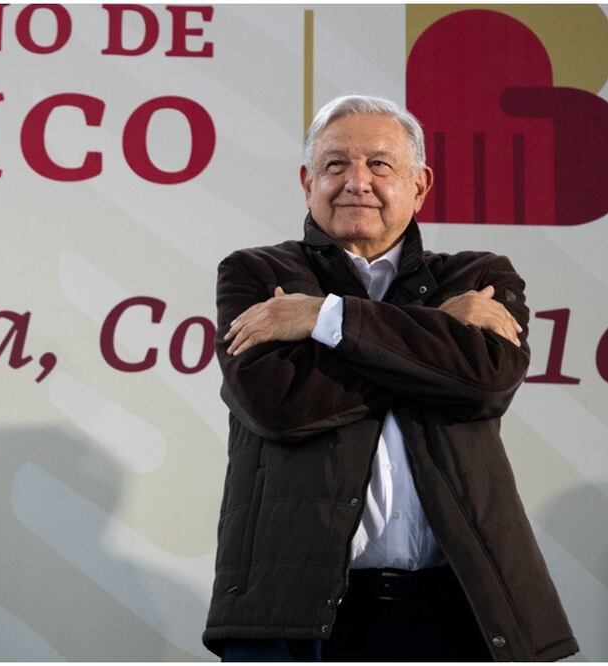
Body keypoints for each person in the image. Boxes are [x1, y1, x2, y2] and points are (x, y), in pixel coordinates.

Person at [203, 96, 578, 661]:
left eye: (380, 164)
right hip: (296, 612)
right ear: (308, 182)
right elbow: (276, 403)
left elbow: (486, 382)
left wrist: (326, 319)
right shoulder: (257, 275)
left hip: (460, 606)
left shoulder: (478, 276)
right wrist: (432, 339)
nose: (356, 182)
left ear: (420, 184)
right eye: (334, 165)